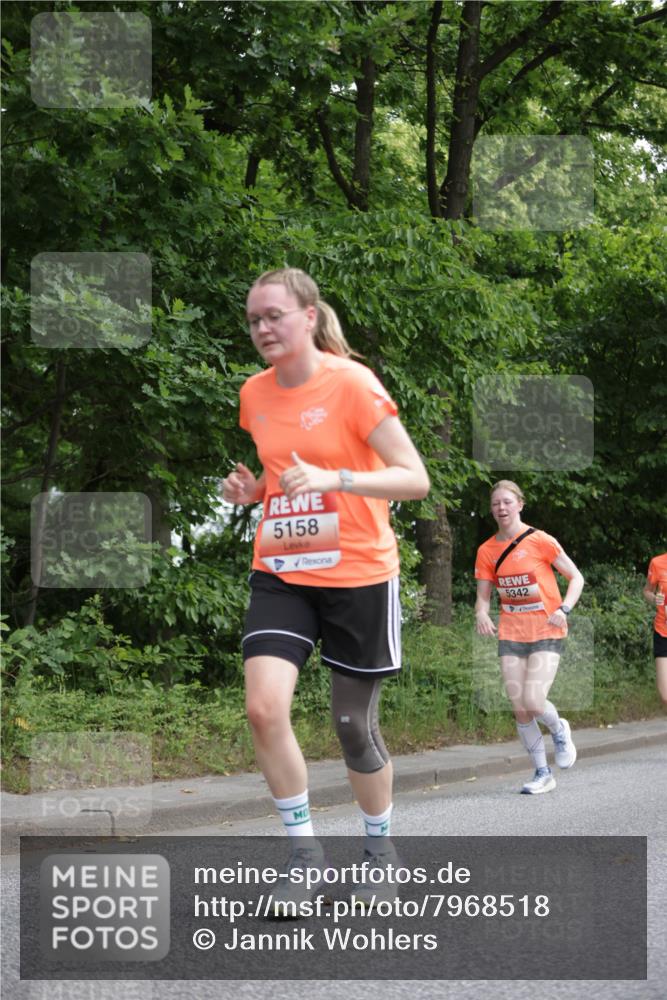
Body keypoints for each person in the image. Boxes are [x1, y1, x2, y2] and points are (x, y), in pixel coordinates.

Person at [221, 267, 429, 909]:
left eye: (273, 315)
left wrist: (336, 478)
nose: (262, 328)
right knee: (262, 707)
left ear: (308, 316)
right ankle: (304, 855)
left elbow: (414, 478)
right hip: (283, 568)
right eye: (253, 319)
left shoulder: (353, 385)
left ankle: (378, 852)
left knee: (351, 727)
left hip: (360, 573)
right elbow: (279, 471)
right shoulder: (254, 394)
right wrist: (252, 490)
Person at [474, 480, 584, 794]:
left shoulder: (540, 540)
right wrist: (481, 613)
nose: (501, 508)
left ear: (520, 504)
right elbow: (483, 597)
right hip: (511, 632)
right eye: (496, 504)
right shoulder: (486, 551)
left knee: (534, 701)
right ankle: (542, 773)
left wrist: (564, 608)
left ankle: (559, 728)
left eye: (507, 502)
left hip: (547, 628)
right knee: (519, 707)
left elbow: (576, 577)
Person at [643, 552, 667, 705]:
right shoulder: (657, 563)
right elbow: (647, 591)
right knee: (665, 694)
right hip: (662, 631)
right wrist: (654, 598)